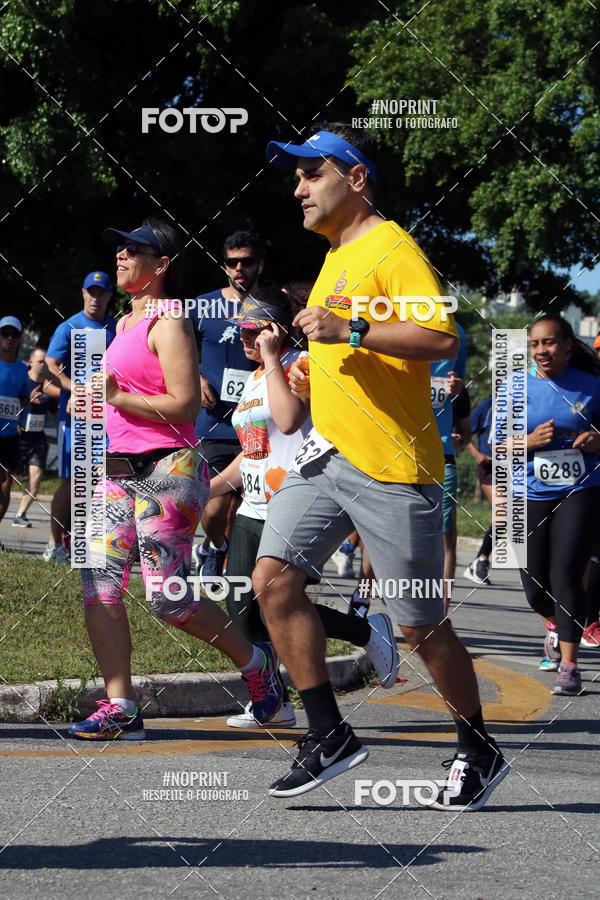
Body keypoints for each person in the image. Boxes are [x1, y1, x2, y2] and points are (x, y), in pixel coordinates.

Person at [254, 123, 509, 809]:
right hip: (327, 458)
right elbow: (357, 357)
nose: (299, 187)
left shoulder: (392, 247)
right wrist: (314, 367)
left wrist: (352, 331)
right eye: (296, 175)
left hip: (394, 470)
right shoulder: (334, 256)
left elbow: (439, 334)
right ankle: (327, 733)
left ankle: (478, 746)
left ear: (356, 178)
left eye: (313, 173)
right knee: (272, 583)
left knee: (418, 625)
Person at [68, 217, 283, 741]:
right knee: (98, 584)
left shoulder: (170, 320)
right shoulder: (121, 323)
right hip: (117, 469)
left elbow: (185, 403)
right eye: (118, 249)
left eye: (133, 251)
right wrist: (91, 402)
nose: (120, 257)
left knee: (169, 597)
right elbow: (123, 402)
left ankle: (258, 666)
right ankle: (120, 705)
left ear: (161, 266)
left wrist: (116, 396)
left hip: (169, 467)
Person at [209, 287, 398, 728]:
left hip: (293, 506)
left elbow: (291, 420)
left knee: (279, 598)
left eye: (253, 330)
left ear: (275, 331)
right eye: (241, 330)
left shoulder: (299, 367)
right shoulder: (254, 377)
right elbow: (251, 452)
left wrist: (275, 356)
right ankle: (274, 704)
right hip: (252, 507)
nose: (244, 338)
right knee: (241, 606)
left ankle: (366, 632)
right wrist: (209, 488)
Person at [492, 314, 600, 693]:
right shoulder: (513, 387)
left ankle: (570, 667)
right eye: (535, 344)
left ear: (568, 345)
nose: (542, 351)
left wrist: (596, 441)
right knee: (536, 586)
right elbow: (498, 448)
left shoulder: (592, 387)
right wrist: (530, 442)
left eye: (550, 343)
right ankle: (555, 624)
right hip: (529, 492)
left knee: (567, 572)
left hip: (580, 489)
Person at [191, 231, 265, 584]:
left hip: (257, 423)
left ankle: (240, 579)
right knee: (215, 507)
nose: (239, 268)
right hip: (214, 424)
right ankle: (215, 546)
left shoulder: (270, 304)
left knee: (248, 511)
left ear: (259, 265)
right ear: (224, 266)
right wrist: (195, 377)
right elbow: (174, 348)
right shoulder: (202, 306)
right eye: (232, 262)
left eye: (246, 261)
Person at [44, 271, 117, 562]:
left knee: (103, 479)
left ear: (110, 295)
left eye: (101, 292)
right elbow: (50, 364)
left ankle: (91, 543)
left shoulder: (116, 328)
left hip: (105, 418)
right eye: (91, 291)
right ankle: (54, 545)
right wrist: (74, 387)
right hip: (73, 419)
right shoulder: (69, 326)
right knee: (71, 480)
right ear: (83, 293)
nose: (95, 297)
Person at [430, 323, 469, 615]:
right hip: (393, 451)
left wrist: (457, 391)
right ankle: (363, 602)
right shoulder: (386, 318)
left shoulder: (456, 331)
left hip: (441, 453)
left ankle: (441, 615)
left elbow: (460, 389)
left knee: (446, 538)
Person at [13, 347, 59, 527]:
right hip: (16, 440)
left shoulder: (49, 387)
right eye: (40, 362)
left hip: (37, 441)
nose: (43, 365)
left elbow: (54, 414)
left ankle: (20, 514)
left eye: (45, 362)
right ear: (31, 362)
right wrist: (28, 402)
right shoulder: (22, 382)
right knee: (6, 482)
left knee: (36, 478)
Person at [0, 316, 33, 541]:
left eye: (14, 334)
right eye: (5, 333)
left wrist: (24, 415)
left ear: (20, 338)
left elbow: (23, 400)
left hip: (10, 437)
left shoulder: (22, 370)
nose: (10, 338)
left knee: (4, 490)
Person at [464, 394, 494, 585]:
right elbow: (464, 433)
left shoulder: (525, 402)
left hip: (515, 467)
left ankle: (479, 561)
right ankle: (481, 559)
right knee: (504, 512)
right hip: (489, 467)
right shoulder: (487, 406)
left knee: (501, 516)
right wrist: (477, 455)